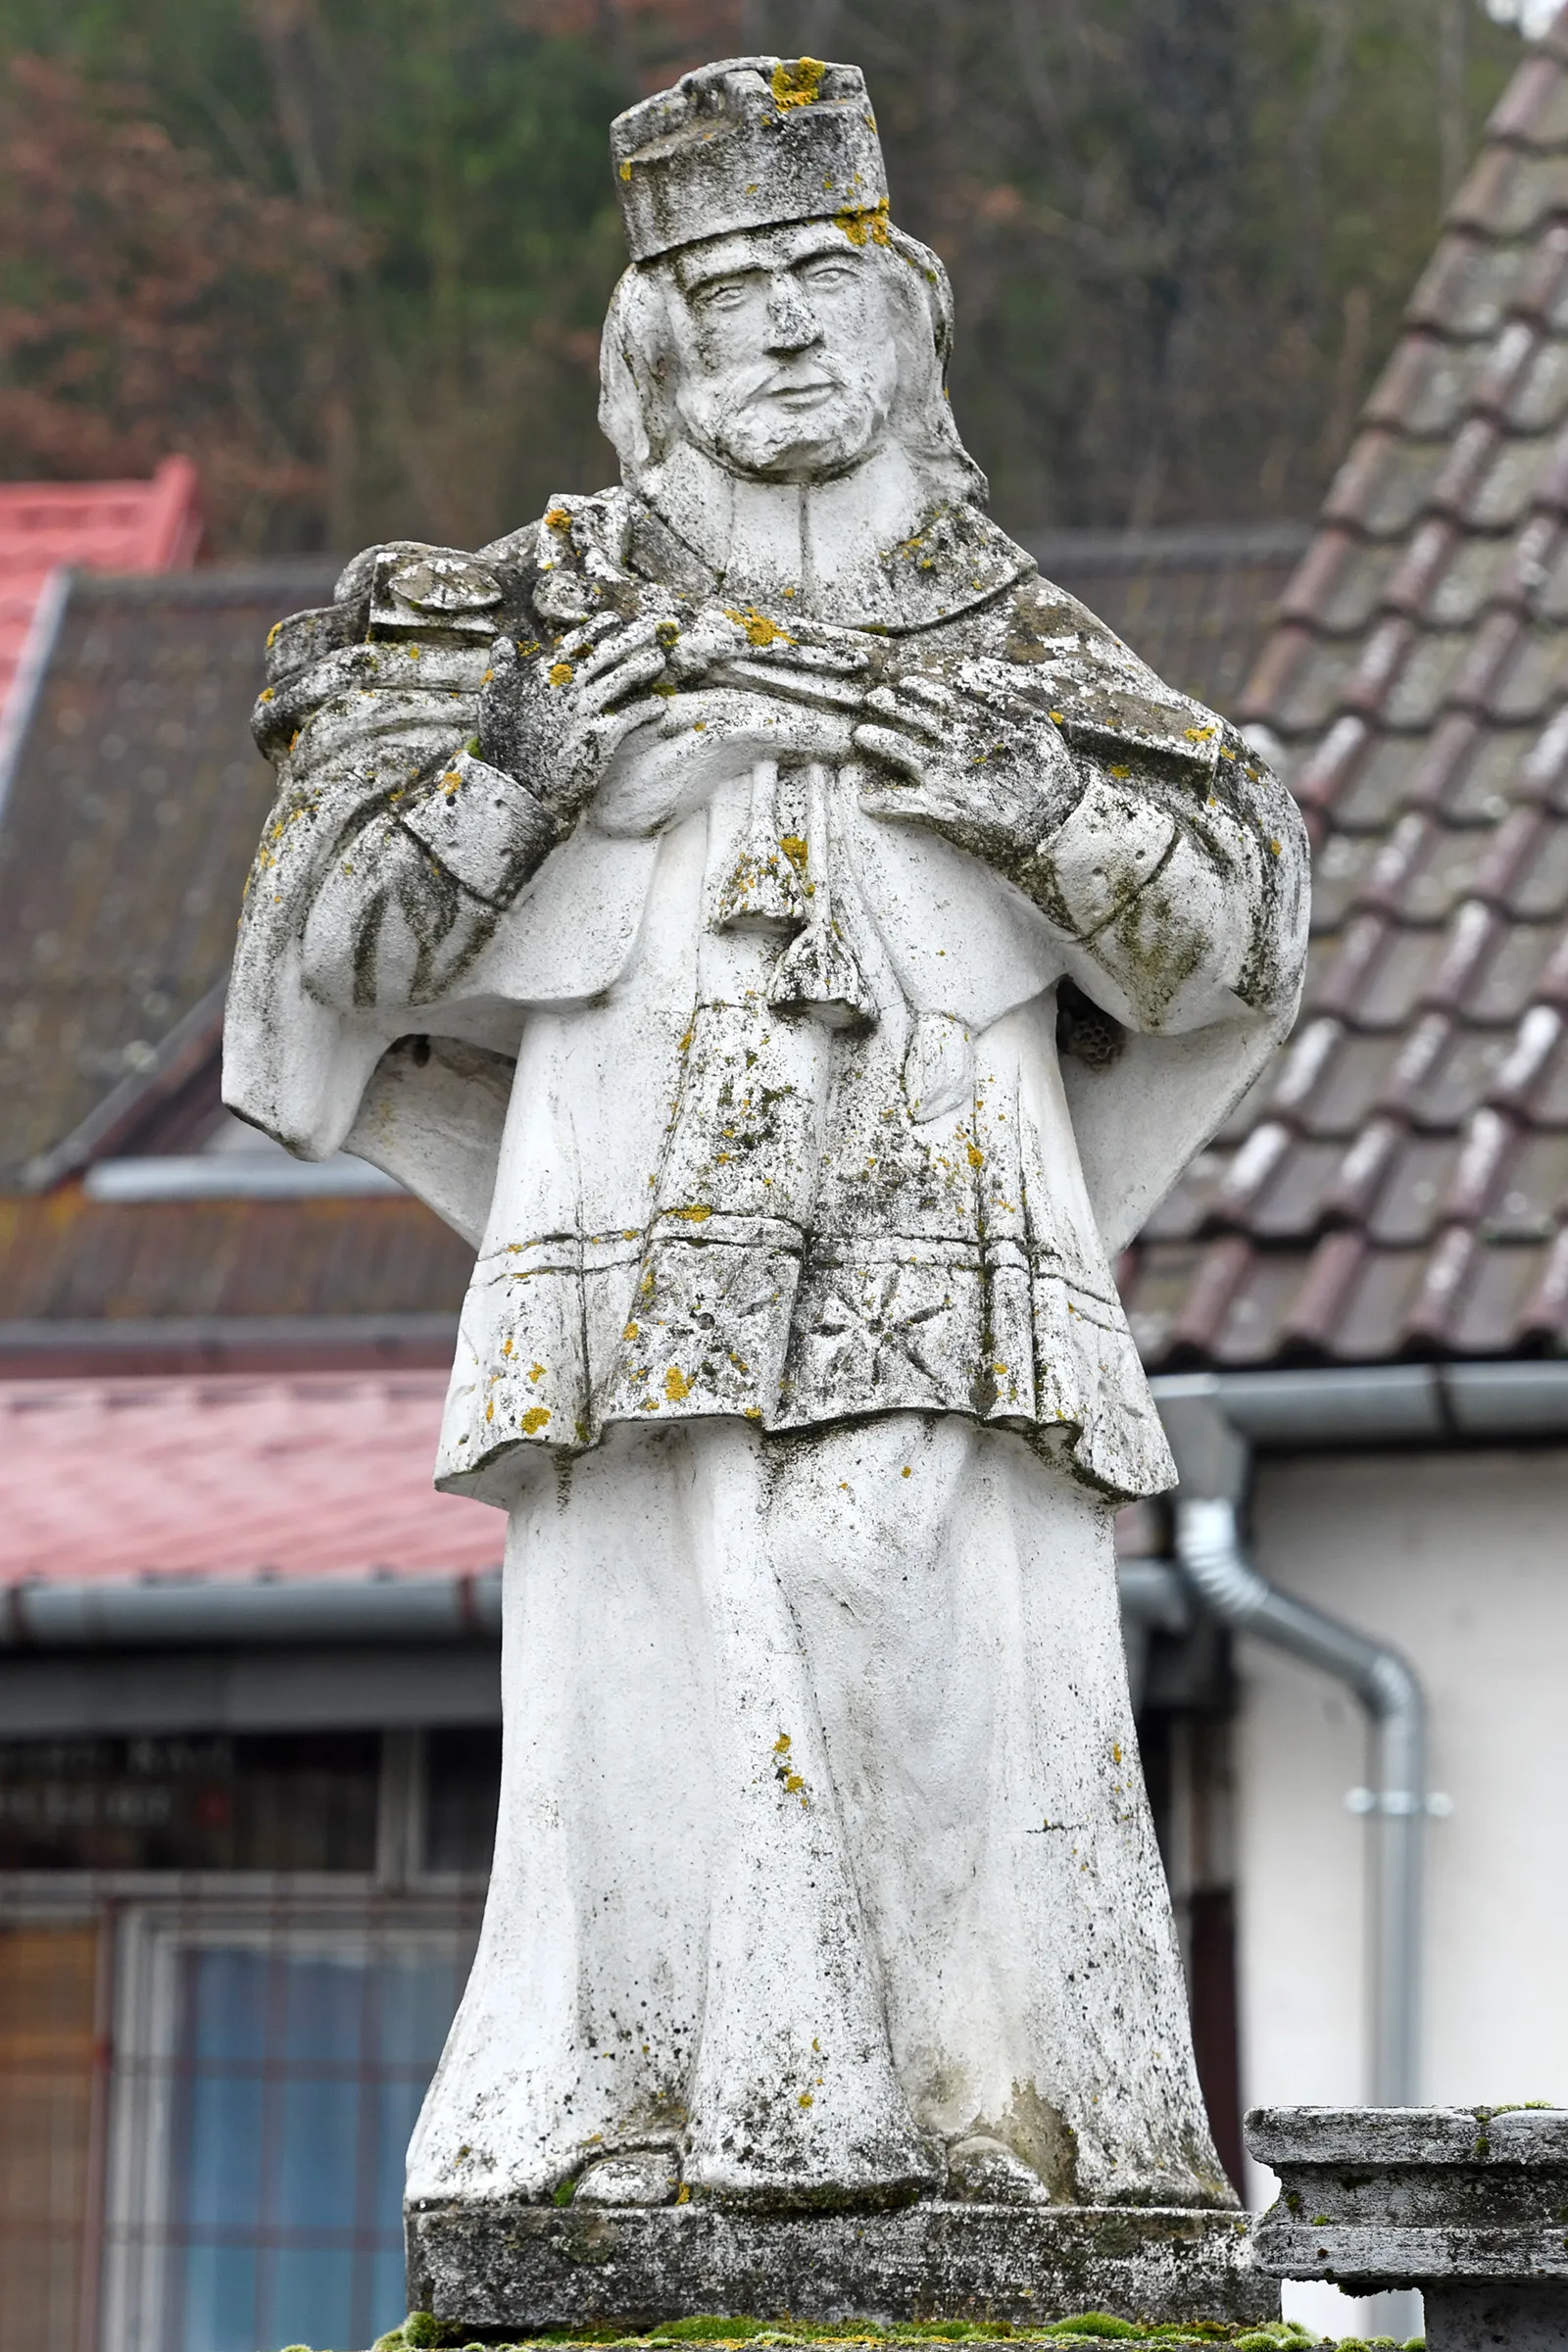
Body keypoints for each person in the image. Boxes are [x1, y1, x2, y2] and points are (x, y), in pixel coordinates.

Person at [226, 56, 1307, 2225]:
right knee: (659, 1645)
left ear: (903, 321)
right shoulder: (528, 615)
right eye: (727, 299)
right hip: (637, 1218)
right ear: (657, 356)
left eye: (822, 283)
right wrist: (546, 758)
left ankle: (978, 2110)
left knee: (883, 1570)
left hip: (930, 1210)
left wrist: (1024, 794)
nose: (785, 333)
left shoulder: (1001, 624)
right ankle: (662, 2117)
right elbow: (327, 945)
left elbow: (1230, 937)